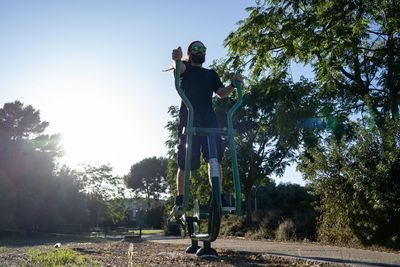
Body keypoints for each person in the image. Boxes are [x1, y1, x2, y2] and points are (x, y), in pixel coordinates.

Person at [170, 40, 243, 218]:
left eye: (203, 49)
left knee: (215, 159)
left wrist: (234, 85)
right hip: (190, 118)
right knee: (185, 161)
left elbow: (221, 92)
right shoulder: (186, 68)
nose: (200, 51)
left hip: (209, 121)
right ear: (189, 53)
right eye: (196, 48)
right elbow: (177, 69)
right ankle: (180, 200)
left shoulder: (211, 74)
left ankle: (218, 198)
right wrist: (176, 60)